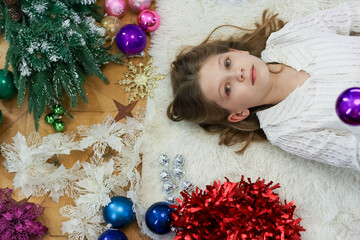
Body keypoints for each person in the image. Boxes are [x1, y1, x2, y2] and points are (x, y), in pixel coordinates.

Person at [167, 1, 360, 171]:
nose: (237, 73)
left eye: (227, 63)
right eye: (227, 88)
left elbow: (350, 15)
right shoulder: (286, 132)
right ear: (238, 114)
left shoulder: (290, 37)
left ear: (238, 52)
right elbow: (353, 155)